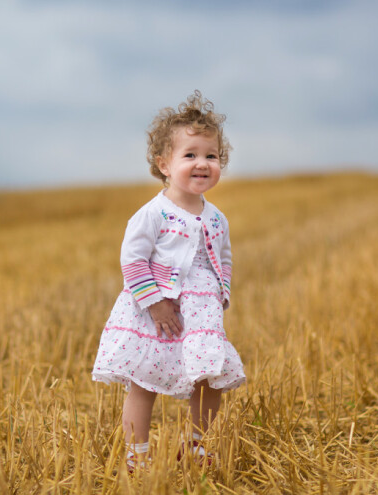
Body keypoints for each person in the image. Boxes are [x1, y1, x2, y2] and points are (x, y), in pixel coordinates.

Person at [92, 90, 246, 471]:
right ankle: (135, 455)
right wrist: (155, 303)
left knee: (210, 379)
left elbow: (223, 258)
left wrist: (220, 295)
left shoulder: (216, 218)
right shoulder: (153, 213)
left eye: (211, 156)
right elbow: (132, 259)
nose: (202, 163)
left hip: (201, 316)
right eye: (190, 155)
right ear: (164, 164)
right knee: (144, 383)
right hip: (156, 312)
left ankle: (197, 445)